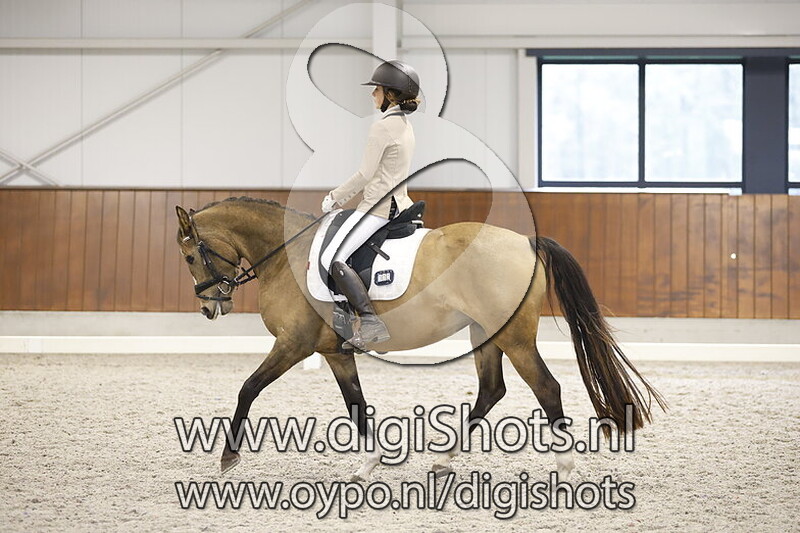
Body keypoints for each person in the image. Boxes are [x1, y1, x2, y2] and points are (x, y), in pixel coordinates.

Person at [320, 59, 420, 350]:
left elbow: (365, 174)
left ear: (390, 94)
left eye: (376, 89)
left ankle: (370, 321)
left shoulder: (383, 127)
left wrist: (335, 197)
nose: (372, 94)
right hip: (400, 203)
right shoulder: (405, 125)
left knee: (332, 258)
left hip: (377, 208)